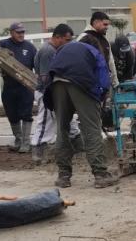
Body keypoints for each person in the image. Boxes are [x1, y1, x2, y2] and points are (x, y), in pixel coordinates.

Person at [45, 40, 117, 189]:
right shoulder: (94, 51)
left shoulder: (65, 48)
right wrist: (101, 96)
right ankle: (100, 174)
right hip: (80, 82)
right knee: (91, 128)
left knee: (62, 128)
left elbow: (51, 68)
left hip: (56, 83)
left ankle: (63, 176)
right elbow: (103, 78)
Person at [31, 24, 82, 164]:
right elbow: (45, 77)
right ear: (57, 37)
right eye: (67, 40)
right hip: (47, 91)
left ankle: (78, 146)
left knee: (68, 119)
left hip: (57, 91)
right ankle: (38, 149)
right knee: (46, 121)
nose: (68, 43)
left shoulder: (56, 49)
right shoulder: (48, 51)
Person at [0, 22, 37, 153]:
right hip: (9, 86)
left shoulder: (30, 48)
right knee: (12, 114)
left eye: (23, 32)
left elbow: (36, 66)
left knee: (26, 114)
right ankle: (18, 140)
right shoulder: (3, 44)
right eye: (18, 32)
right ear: (11, 32)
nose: (21, 35)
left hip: (25, 87)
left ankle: (26, 143)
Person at [79, 11, 119, 89]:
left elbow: (111, 62)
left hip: (103, 85)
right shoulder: (83, 38)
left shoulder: (104, 40)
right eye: (105, 24)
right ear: (96, 22)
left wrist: (115, 82)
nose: (107, 27)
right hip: (88, 86)